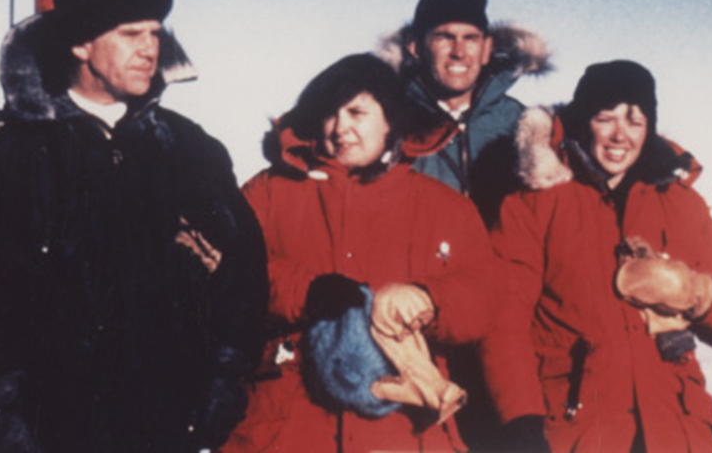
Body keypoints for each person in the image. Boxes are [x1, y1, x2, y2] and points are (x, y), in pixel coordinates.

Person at [0, 0, 269, 452]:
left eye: (155, 33)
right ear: (81, 44)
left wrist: (220, 393)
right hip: (43, 433)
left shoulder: (191, 151)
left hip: (164, 432)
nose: (150, 48)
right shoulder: (2, 153)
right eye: (130, 34)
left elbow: (242, 282)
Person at [224, 54, 524, 452]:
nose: (340, 127)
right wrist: (305, 292)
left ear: (390, 120)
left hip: (403, 430)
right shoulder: (268, 192)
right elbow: (227, 272)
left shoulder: (442, 206)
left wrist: (430, 300)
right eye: (329, 114)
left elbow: (486, 293)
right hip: (287, 425)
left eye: (356, 112)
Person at [492, 60, 712, 451]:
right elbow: (503, 323)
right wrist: (522, 423)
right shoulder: (534, 203)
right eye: (605, 118)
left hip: (673, 429)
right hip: (578, 429)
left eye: (634, 120)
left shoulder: (680, 203)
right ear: (582, 121)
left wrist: (697, 293)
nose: (620, 135)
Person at [377, 0, 550, 224]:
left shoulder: (523, 126)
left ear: (487, 48)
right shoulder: (386, 122)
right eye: (444, 37)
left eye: (470, 38)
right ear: (416, 48)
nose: (459, 52)